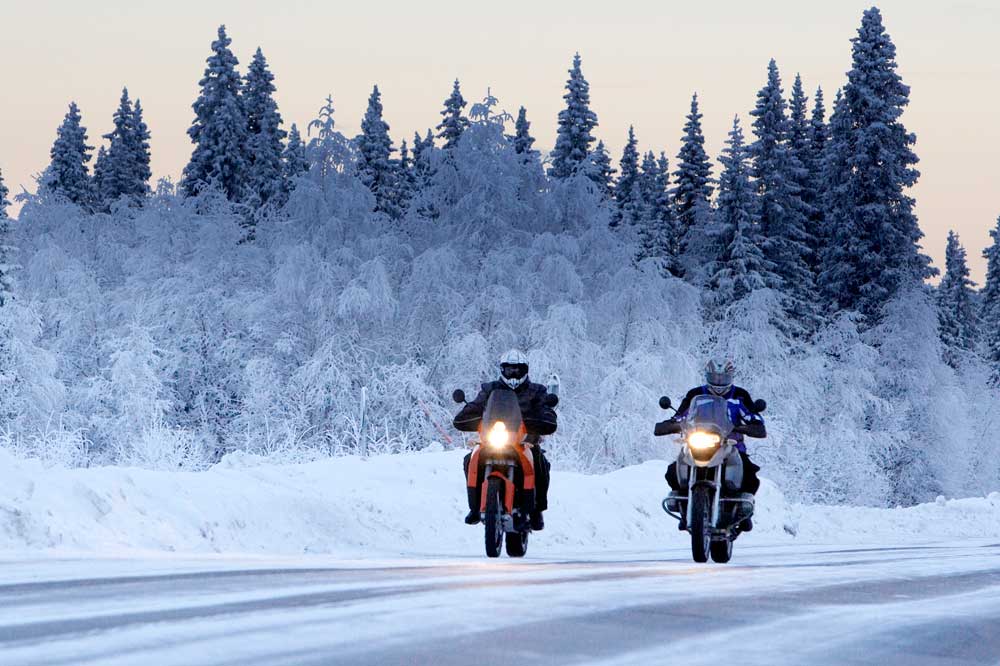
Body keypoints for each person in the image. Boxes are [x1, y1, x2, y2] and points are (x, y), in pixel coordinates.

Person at [656, 359, 766, 530]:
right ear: (707, 376)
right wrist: (671, 424)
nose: (719, 382)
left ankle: (744, 513)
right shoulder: (696, 395)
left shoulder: (740, 396)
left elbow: (754, 418)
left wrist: (749, 426)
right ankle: (685, 508)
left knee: (749, 474)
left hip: (730, 444)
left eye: (723, 377)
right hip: (698, 442)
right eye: (715, 377)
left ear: (731, 377)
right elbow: (681, 415)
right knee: (672, 471)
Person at [454, 349, 555, 531]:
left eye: (518, 370)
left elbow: (545, 410)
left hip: (525, 441)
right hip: (493, 439)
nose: (514, 373)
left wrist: (545, 418)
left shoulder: (537, 391)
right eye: (510, 370)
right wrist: (466, 414)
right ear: (502, 370)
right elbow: (476, 406)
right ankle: (475, 507)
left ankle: (536, 509)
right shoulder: (490, 389)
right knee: (469, 459)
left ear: (525, 370)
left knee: (540, 462)